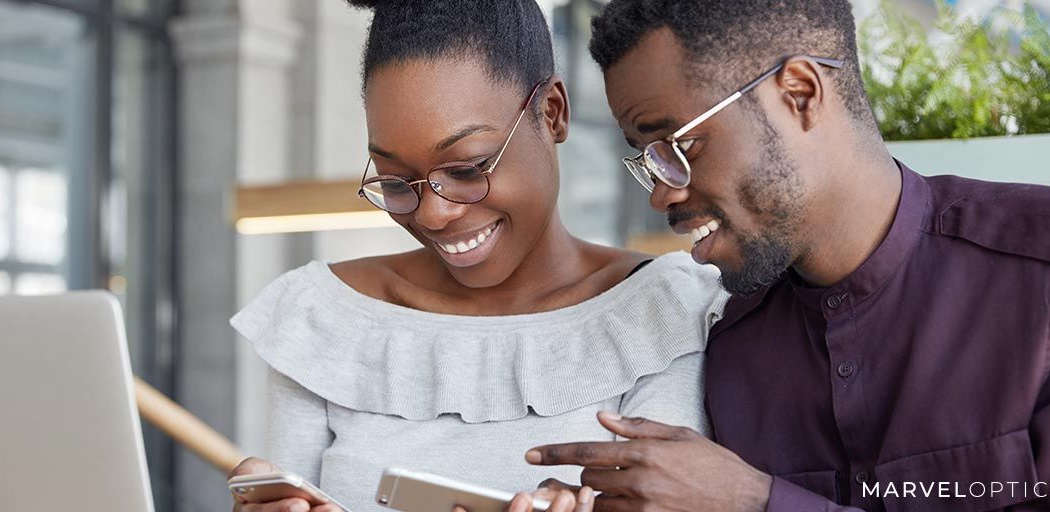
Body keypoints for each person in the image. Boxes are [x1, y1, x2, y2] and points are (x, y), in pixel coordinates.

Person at [523, 1, 1050, 511]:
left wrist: (755, 501)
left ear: (800, 93)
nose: (661, 193)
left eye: (680, 145)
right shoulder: (729, 348)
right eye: (649, 158)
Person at [226, 1, 729, 511]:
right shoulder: (324, 319)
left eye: (467, 168)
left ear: (552, 112)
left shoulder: (666, 312)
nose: (434, 215)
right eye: (397, 182)